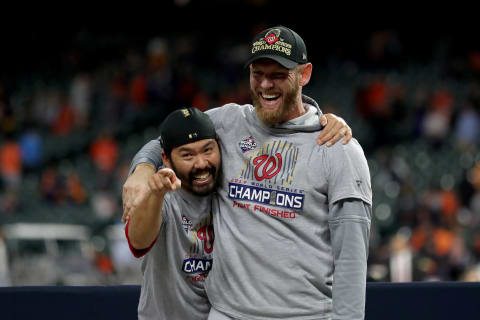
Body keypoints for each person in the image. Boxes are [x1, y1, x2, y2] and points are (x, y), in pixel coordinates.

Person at [124, 26, 372, 320]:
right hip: (227, 313)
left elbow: (351, 259)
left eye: (278, 75)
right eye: (258, 74)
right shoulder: (229, 122)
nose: (266, 85)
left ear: (304, 75)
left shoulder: (338, 148)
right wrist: (141, 169)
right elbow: (168, 140)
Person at [126, 107, 220, 319]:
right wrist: (156, 196)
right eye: (187, 155)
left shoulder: (231, 192)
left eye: (208, 150)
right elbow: (139, 242)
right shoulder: (164, 196)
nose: (201, 164)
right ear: (166, 159)